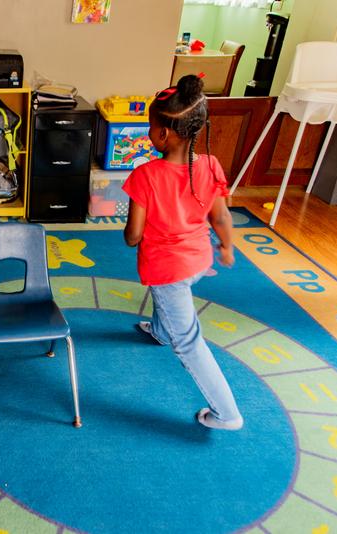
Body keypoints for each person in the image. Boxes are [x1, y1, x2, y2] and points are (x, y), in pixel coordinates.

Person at [122, 74, 243, 431]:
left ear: (162, 135)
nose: (149, 131)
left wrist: (130, 232)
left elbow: (133, 236)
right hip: (198, 259)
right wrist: (228, 245)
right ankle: (160, 329)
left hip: (168, 269)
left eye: (150, 126)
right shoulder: (210, 164)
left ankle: (226, 413)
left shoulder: (145, 175)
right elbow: (220, 214)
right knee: (173, 301)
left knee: (188, 342)